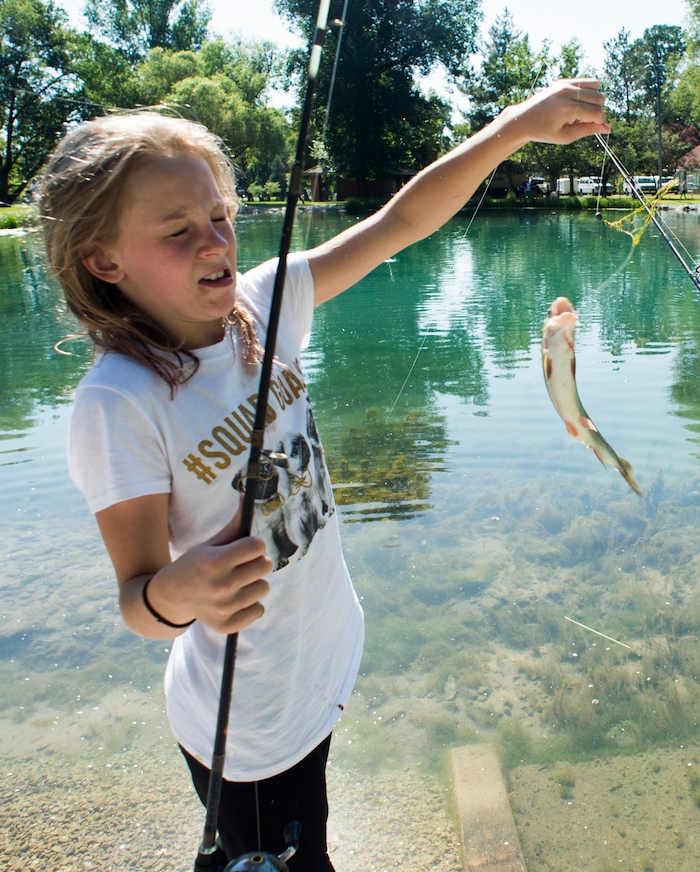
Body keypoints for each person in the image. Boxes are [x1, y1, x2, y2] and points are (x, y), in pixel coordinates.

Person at [40, 79, 609, 871]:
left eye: (220, 217)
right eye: (177, 230)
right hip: (249, 728)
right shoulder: (120, 403)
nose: (214, 242)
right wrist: (180, 590)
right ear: (102, 259)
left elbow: (400, 224)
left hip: (317, 667)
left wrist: (514, 128)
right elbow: (137, 600)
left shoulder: (263, 305)